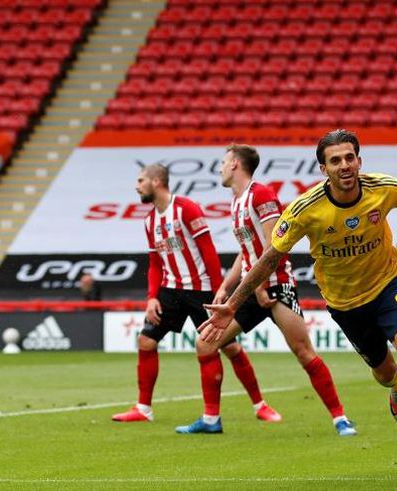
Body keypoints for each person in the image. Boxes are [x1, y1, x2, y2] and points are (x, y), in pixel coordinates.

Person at [197, 129, 397, 478]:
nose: (344, 165)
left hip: (388, 284)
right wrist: (232, 304)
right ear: (323, 169)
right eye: (335, 160)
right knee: (384, 373)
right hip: (345, 302)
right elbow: (269, 257)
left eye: (349, 157)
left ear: (359, 161)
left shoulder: (382, 187)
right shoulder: (305, 210)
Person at [175, 144, 356, 437]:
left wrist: (260, 285)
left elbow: (275, 244)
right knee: (206, 343)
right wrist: (224, 287)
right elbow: (246, 251)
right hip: (251, 291)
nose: (220, 168)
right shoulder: (237, 202)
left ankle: (340, 419)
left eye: (223, 162)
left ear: (234, 163)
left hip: (276, 287)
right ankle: (210, 420)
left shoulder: (262, 195)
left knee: (303, 352)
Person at [112, 164, 281, 424]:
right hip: (170, 291)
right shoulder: (150, 221)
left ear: (156, 182)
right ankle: (143, 409)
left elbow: (209, 252)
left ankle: (260, 405)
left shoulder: (186, 208)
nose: (137, 186)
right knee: (146, 341)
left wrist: (217, 291)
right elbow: (156, 263)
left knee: (229, 346)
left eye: (141, 180)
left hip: (200, 290)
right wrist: (152, 298)